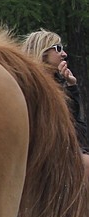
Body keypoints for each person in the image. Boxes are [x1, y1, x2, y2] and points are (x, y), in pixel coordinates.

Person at [21, 30, 89, 177]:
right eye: (58, 48)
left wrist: (72, 88)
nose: (64, 54)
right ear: (42, 51)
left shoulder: (59, 85)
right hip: (44, 157)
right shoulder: (30, 87)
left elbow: (78, 130)